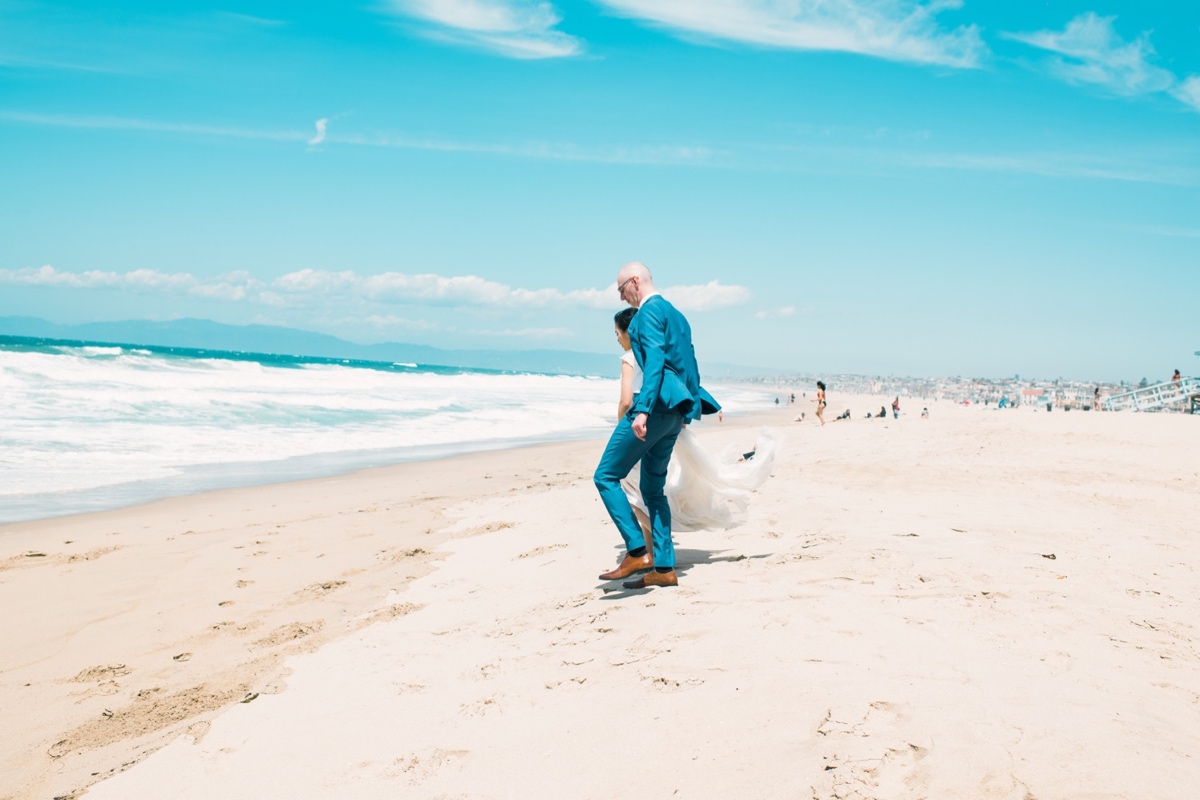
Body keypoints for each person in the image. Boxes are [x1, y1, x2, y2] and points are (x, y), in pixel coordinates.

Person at [594, 262, 714, 590]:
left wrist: (643, 410)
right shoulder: (676, 314)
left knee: (605, 476)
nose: (621, 297)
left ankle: (636, 551)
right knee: (652, 490)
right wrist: (687, 409)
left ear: (635, 281)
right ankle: (663, 567)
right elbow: (690, 362)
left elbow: (657, 362)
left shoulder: (647, 313)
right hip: (675, 411)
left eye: (621, 289)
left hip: (655, 408)